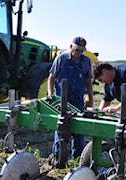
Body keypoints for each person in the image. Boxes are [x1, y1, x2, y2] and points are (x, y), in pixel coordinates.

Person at [47, 36, 94, 164]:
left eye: (81, 50)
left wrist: (90, 98)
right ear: (71, 46)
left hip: (78, 99)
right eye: (77, 49)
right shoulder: (61, 58)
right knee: (61, 125)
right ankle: (59, 156)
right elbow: (51, 78)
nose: (79, 53)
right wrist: (51, 94)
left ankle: (78, 158)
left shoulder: (86, 61)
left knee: (79, 127)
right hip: (61, 99)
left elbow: (88, 81)